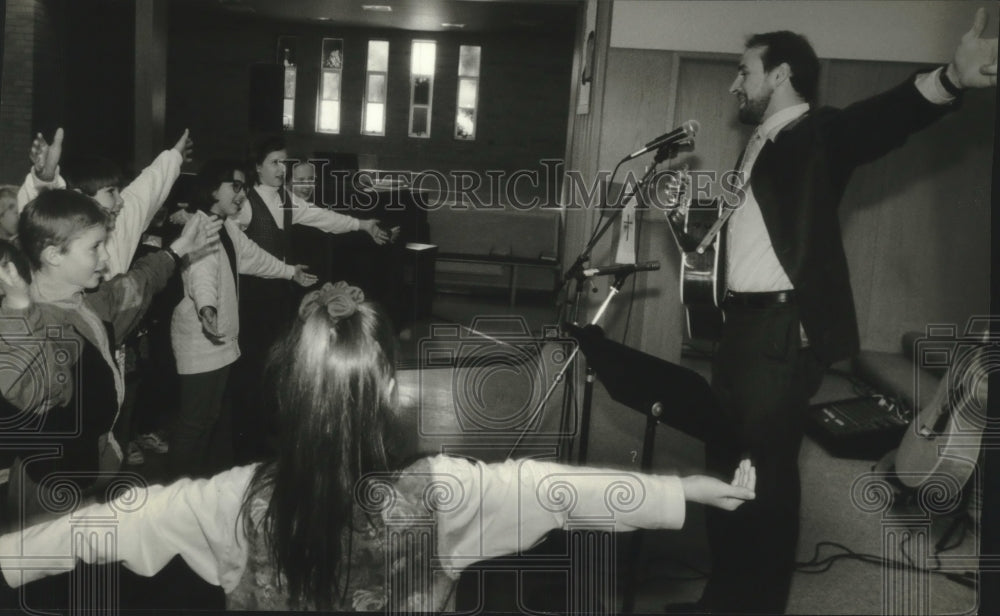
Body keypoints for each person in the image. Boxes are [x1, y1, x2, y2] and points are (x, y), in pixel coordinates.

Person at [0, 283, 755, 610]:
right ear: (387, 388)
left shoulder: (231, 500)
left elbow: (102, 529)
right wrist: (682, 490)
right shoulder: (446, 495)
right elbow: (551, 489)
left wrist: (11, 557)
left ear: (287, 390)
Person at [690, 11, 997, 614]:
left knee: (765, 484)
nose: (735, 84)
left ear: (780, 74)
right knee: (725, 464)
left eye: (743, 71)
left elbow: (876, 122)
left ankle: (755, 608)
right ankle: (720, 600)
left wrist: (949, 81)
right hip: (742, 329)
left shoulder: (813, 134)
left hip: (777, 335)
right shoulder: (761, 143)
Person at [0, 190, 221, 525]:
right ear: (53, 255)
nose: (105, 258)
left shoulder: (86, 303)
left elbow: (135, 285)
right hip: (50, 493)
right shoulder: (40, 326)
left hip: (88, 476)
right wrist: (17, 309)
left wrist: (177, 251)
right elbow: (33, 386)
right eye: (94, 247)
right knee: (57, 573)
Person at [231, 136, 390, 464]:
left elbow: (324, 217)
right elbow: (224, 235)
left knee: (277, 368)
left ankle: (269, 444)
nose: (281, 169)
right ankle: (246, 450)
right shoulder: (245, 203)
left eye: (283, 163)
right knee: (252, 371)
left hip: (280, 298)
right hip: (250, 300)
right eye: (275, 162)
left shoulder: (287, 201)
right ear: (257, 167)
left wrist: (362, 224)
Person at [169, 160, 316, 479]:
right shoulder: (198, 226)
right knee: (195, 423)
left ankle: (195, 486)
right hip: (200, 340)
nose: (242, 194)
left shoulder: (225, 226)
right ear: (212, 190)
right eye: (235, 186)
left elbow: (253, 257)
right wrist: (207, 307)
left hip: (220, 340)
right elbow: (200, 272)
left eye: (244, 188)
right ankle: (172, 494)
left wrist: (290, 272)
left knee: (209, 420)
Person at [18, 127, 194, 279]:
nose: (121, 200)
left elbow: (151, 183)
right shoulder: (62, 229)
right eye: (110, 192)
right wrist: (45, 178)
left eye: (119, 190)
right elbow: (39, 219)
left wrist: (175, 156)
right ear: (82, 198)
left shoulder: (121, 221)